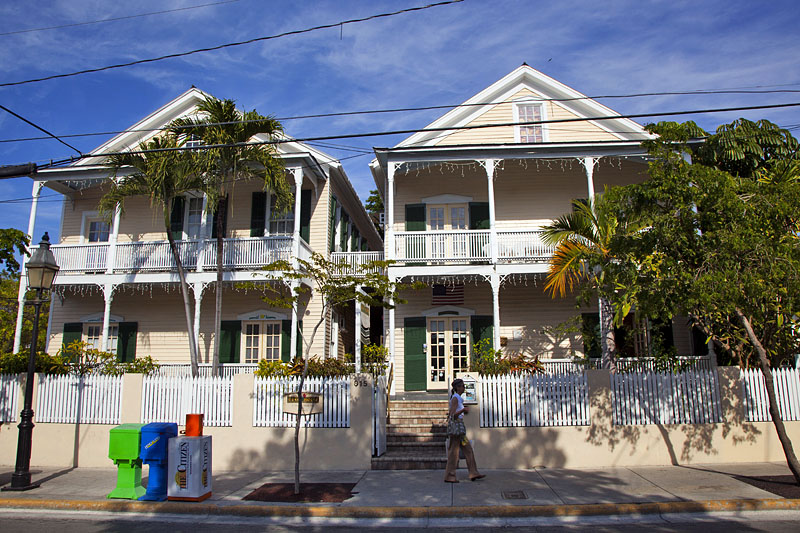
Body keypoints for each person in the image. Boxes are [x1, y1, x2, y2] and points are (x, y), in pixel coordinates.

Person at [443, 378, 485, 483]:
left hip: (460, 430)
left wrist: (462, 409)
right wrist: (463, 410)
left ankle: (473, 473)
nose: (463, 388)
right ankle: (450, 476)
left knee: (468, 450)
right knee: (454, 452)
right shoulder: (455, 398)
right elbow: (452, 415)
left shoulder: (458, 398)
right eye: (462, 386)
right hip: (456, 429)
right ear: (457, 387)